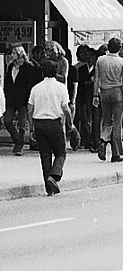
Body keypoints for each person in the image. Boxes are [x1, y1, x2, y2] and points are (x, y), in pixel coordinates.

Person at [28, 60, 74, 196]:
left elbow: (30, 110)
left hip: (39, 124)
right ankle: (53, 176)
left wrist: (32, 128)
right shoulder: (61, 87)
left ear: (43, 72)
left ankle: (49, 189)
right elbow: (66, 108)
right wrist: (70, 125)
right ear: (56, 72)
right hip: (54, 123)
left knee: (45, 155)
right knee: (60, 152)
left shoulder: (36, 88)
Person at [93, 38, 123, 163]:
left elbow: (96, 79)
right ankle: (116, 153)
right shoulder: (122, 62)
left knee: (107, 120)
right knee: (117, 123)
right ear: (119, 48)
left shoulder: (100, 60)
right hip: (117, 92)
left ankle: (103, 141)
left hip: (104, 91)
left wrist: (95, 95)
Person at [4, 46, 40, 155]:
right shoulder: (11, 66)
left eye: (14, 53)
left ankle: (19, 146)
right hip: (11, 98)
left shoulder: (28, 67)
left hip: (23, 99)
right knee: (7, 120)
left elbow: (30, 84)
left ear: (20, 54)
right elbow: (8, 81)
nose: (12, 55)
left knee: (22, 123)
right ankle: (18, 141)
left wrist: (29, 98)